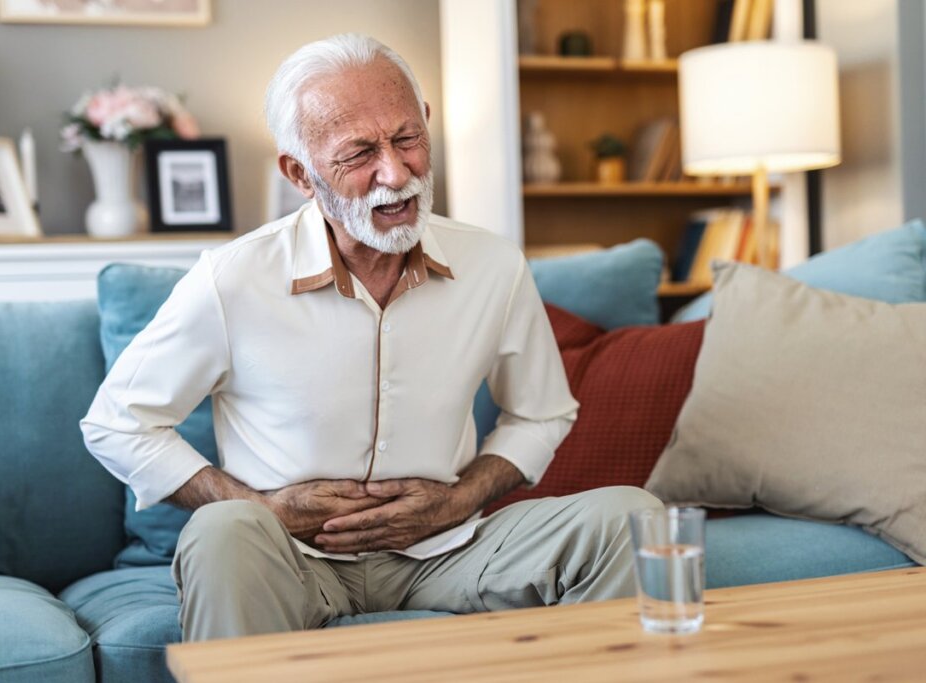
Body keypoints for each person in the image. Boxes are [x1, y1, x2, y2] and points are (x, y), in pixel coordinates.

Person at [80, 33, 661, 642]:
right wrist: (263, 509)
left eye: (408, 138)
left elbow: (543, 412)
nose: (396, 172)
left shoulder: (494, 265)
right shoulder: (232, 278)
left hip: (449, 549)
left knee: (630, 519)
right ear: (300, 173)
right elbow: (117, 423)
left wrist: (459, 500)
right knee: (222, 532)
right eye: (359, 153)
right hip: (292, 558)